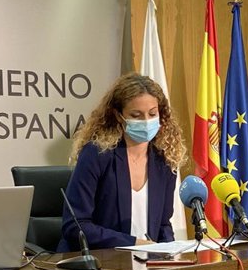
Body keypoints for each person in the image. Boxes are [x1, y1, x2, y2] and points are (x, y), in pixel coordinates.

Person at [58, 73, 186, 251]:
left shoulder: (164, 160)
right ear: (118, 115)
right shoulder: (97, 153)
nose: (146, 121)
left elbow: (163, 224)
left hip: (147, 260)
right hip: (97, 260)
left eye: (152, 114)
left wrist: (169, 252)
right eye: (136, 115)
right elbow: (75, 225)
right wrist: (133, 244)